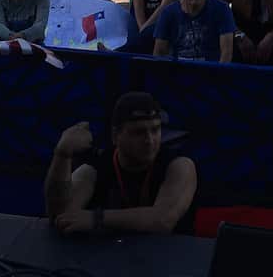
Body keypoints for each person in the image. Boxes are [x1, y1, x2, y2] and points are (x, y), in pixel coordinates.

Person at [44, 91, 197, 235]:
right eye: (138, 132)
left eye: (155, 130)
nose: (149, 140)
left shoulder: (179, 165)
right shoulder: (96, 168)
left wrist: (96, 219)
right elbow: (61, 216)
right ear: (115, 136)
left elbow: (163, 220)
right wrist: (62, 156)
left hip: (170, 258)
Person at [152, 0, 235, 63]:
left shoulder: (222, 9)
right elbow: (159, 53)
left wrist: (218, 76)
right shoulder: (168, 13)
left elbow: (226, 53)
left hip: (212, 71)